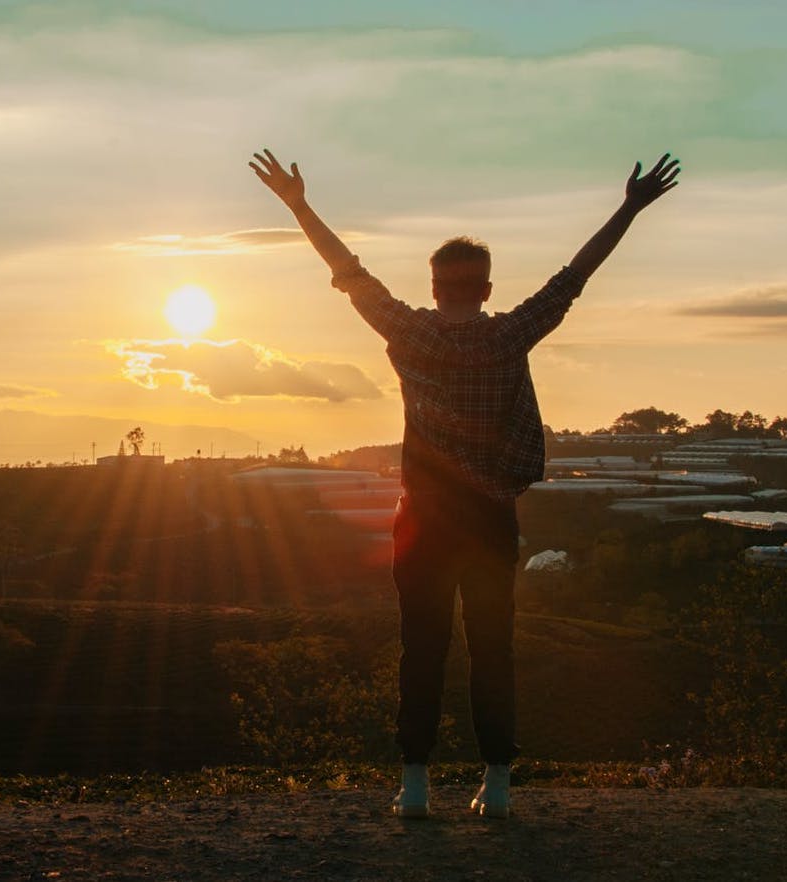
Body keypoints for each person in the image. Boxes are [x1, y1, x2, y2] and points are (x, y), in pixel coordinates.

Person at [249, 148, 680, 818]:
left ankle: (415, 785)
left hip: (421, 521)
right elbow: (574, 278)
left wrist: (299, 205)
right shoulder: (509, 336)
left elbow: (348, 272)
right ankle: (498, 783)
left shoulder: (409, 334)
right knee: (492, 648)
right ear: (483, 288)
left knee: (422, 650)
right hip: (489, 519)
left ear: (433, 285)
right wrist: (629, 206)